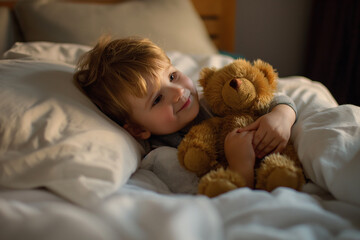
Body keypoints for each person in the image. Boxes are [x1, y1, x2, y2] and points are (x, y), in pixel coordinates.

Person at [73, 36, 297, 188]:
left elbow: (271, 99)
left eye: (172, 76)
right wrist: (241, 166)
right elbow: (213, 192)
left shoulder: (212, 99)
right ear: (137, 129)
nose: (179, 92)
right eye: (158, 99)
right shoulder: (165, 157)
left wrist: (281, 117)